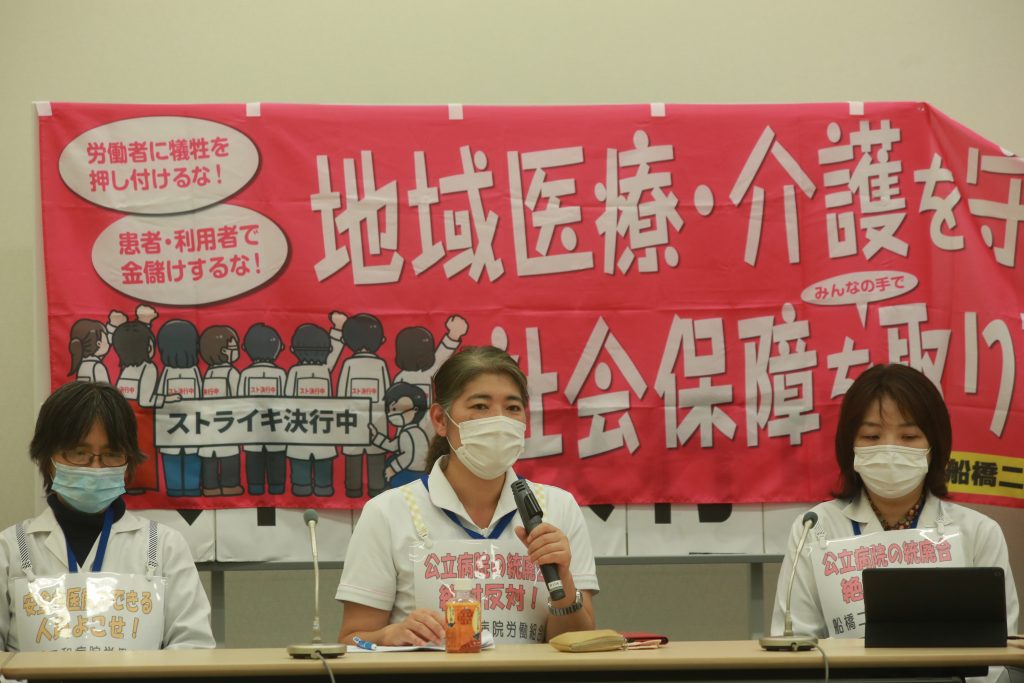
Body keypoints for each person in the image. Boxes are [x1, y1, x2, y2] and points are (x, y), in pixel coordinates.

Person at [336, 345, 599, 646]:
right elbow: (350, 640)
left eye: (512, 408)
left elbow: (580, 644)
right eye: (480, 406)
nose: (499, 421)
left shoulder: (557, 507)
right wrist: (389, 634)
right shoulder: (386, 513)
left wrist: (563, 577)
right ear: (440, 419)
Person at [771, 363, 1019, 641]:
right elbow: (794, 643)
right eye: (872, 436)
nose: (890, 449)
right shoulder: (815, 528)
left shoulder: (979, 533)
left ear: (934, 447)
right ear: (849, 445)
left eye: (909, 437)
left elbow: (1000, 649)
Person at [0, 382, 215, 651]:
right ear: (48, 460)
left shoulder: (163, 546)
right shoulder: (10, 550)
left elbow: (193, 646)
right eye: (79, 453)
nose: (96, 467)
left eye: (112, 454)